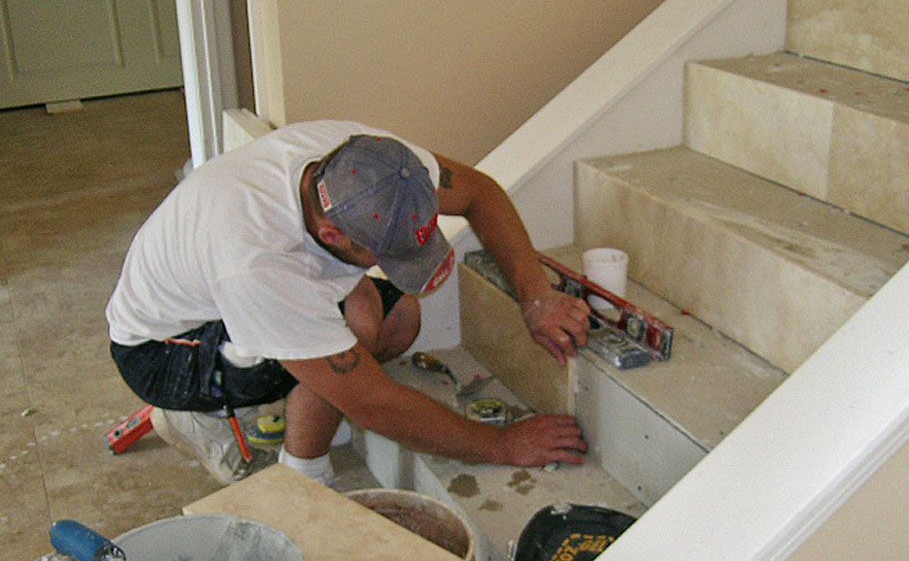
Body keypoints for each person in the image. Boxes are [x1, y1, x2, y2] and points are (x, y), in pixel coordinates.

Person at [106, 120, 590, 486]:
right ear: (331, 233)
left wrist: (537, 295)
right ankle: (299, 475)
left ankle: (307, 407)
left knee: (401, 317)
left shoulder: (376, 163)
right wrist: (502, 445)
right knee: (351, 334)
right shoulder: (255, 259)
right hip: (164, 349)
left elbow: (479, 192)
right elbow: (373, 403)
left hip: (227, 285)